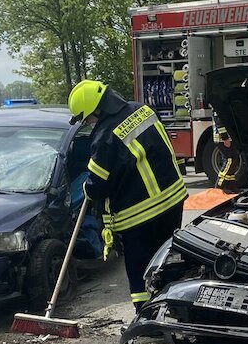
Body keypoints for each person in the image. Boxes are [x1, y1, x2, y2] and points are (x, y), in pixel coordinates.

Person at [68, 79, 187, 309]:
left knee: (139, 271)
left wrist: (85, 187)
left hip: (139, 214)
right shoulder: (142, 109)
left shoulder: (104, 136)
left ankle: (146, 317)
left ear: (97, 109)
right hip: (173, 200)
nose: (90, 122)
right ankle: (174, 308)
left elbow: (97, 186)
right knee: (167, 260)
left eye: (88, 117)